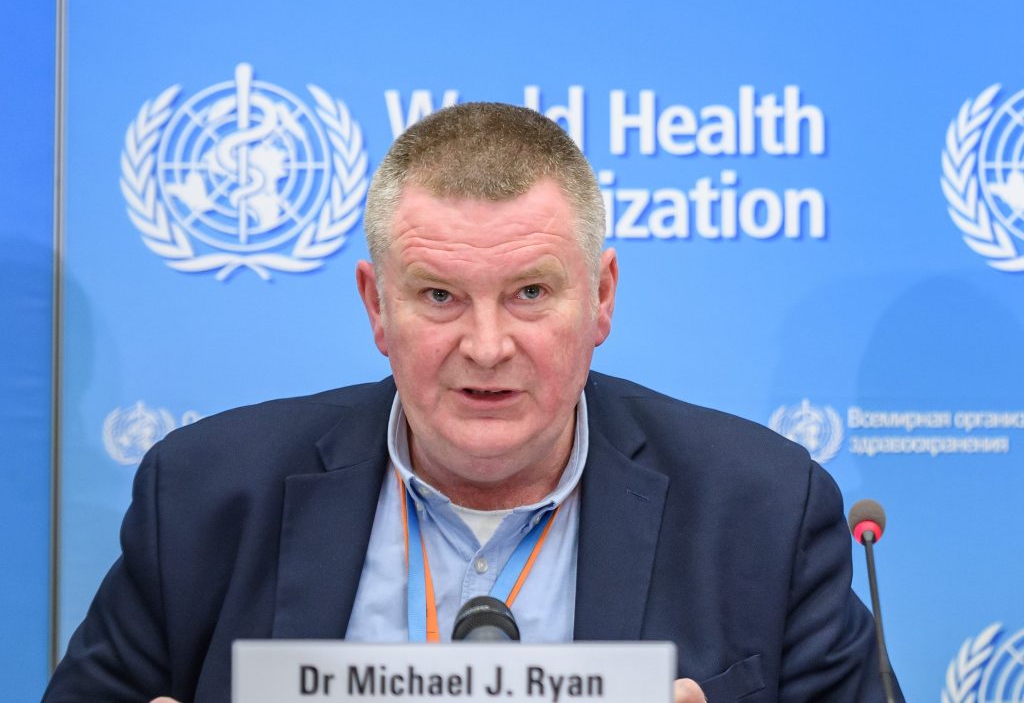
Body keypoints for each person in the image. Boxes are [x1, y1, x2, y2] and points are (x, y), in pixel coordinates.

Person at [44, 103, 901, 703]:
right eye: (440, 297)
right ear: (376, 306)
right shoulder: (203, 501)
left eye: (530, 293)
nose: (487, 347)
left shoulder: (761, 513)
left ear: (600, 298)